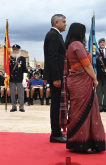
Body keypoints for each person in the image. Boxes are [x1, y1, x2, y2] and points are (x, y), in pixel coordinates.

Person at [62, 22, 106, 153]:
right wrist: (94, 78)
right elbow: (86, 64)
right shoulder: (78, 45)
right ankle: (84, 143)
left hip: (74, 81)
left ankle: (78, 141)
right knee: (86, 111)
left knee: (77, 110)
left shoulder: (70, 45)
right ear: (80, 33)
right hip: (82, 81)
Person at [43, 14, 67, 143]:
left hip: (56, 75)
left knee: (57, 104)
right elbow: (52, 58)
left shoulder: (56, 35)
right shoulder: (53, 35)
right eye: (63, 22)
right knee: (56, 105)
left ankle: (57, 132)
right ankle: (55, 133)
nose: (65, 24)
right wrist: (56, 78)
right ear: (56, 22)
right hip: (55, 76)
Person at [8, 44, 27, 112]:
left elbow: (24, 69)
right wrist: (6, 76)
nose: (15, 51)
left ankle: (21, 106)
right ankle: (14, 106)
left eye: (16, 50)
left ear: (19, 50)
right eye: (14, 50)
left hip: (20, 78)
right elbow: (7, 68)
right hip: (12, 78)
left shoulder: (22, 58)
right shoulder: (9, 58)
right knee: (12, 93)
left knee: (21, 93)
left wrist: (24, 79)